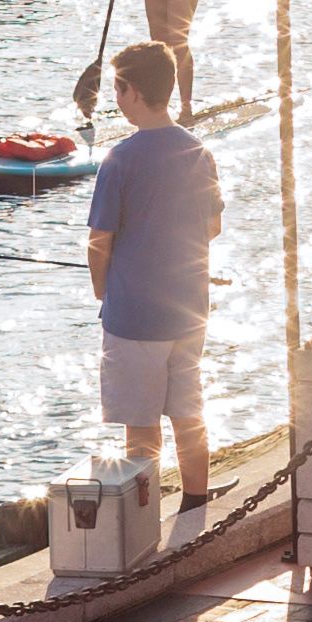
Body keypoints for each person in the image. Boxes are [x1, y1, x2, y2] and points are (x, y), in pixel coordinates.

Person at [87, 39, 222, 507]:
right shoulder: (199, 152)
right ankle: (196, 498)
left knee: (141, 423)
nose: (116, 99)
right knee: (188, 411)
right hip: (188, 310)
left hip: (134, 316)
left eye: (117, 89)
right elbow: (213, 226)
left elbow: (99, 242)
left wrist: (102, 291)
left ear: (132, 93)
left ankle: (143, 515)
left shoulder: (119, 159)